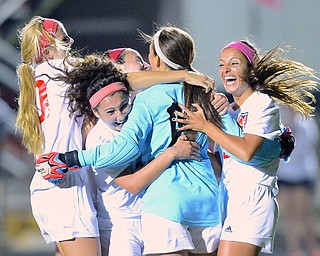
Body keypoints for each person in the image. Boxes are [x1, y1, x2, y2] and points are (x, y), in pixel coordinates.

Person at [36, 26, 225, 256]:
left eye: (146, 59)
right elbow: (134, 182)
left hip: (159, 209)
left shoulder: (144, 105)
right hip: (123, 224)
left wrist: (225, 104)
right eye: (139, 63)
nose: (146, 67)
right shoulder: (102, 133)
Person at [172, 40, 318, 256]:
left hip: (252, 202)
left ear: (251, 68)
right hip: (231, 201)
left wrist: (206, 125)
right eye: (221, 65)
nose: (226, 70)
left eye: (234, 63)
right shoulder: (230, 111)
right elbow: (223, 167)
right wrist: (194, 146)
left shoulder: (261, 103)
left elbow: (246, 152)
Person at [15, 16, 101, 256]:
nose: (71, 41)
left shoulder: (34, 76)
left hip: (48, 183)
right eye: (64, 38)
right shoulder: (63, 71)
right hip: (66, 183)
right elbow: (121, 79)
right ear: (48, 47)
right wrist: (183, 76)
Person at [277, 106, 320, 256]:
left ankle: (313, 246)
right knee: (289, 216)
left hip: (302, 174)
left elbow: (308, 145)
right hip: (285, 174)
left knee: (304, 215)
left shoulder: (307, 122)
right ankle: (293, 249)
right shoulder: (281, 122)